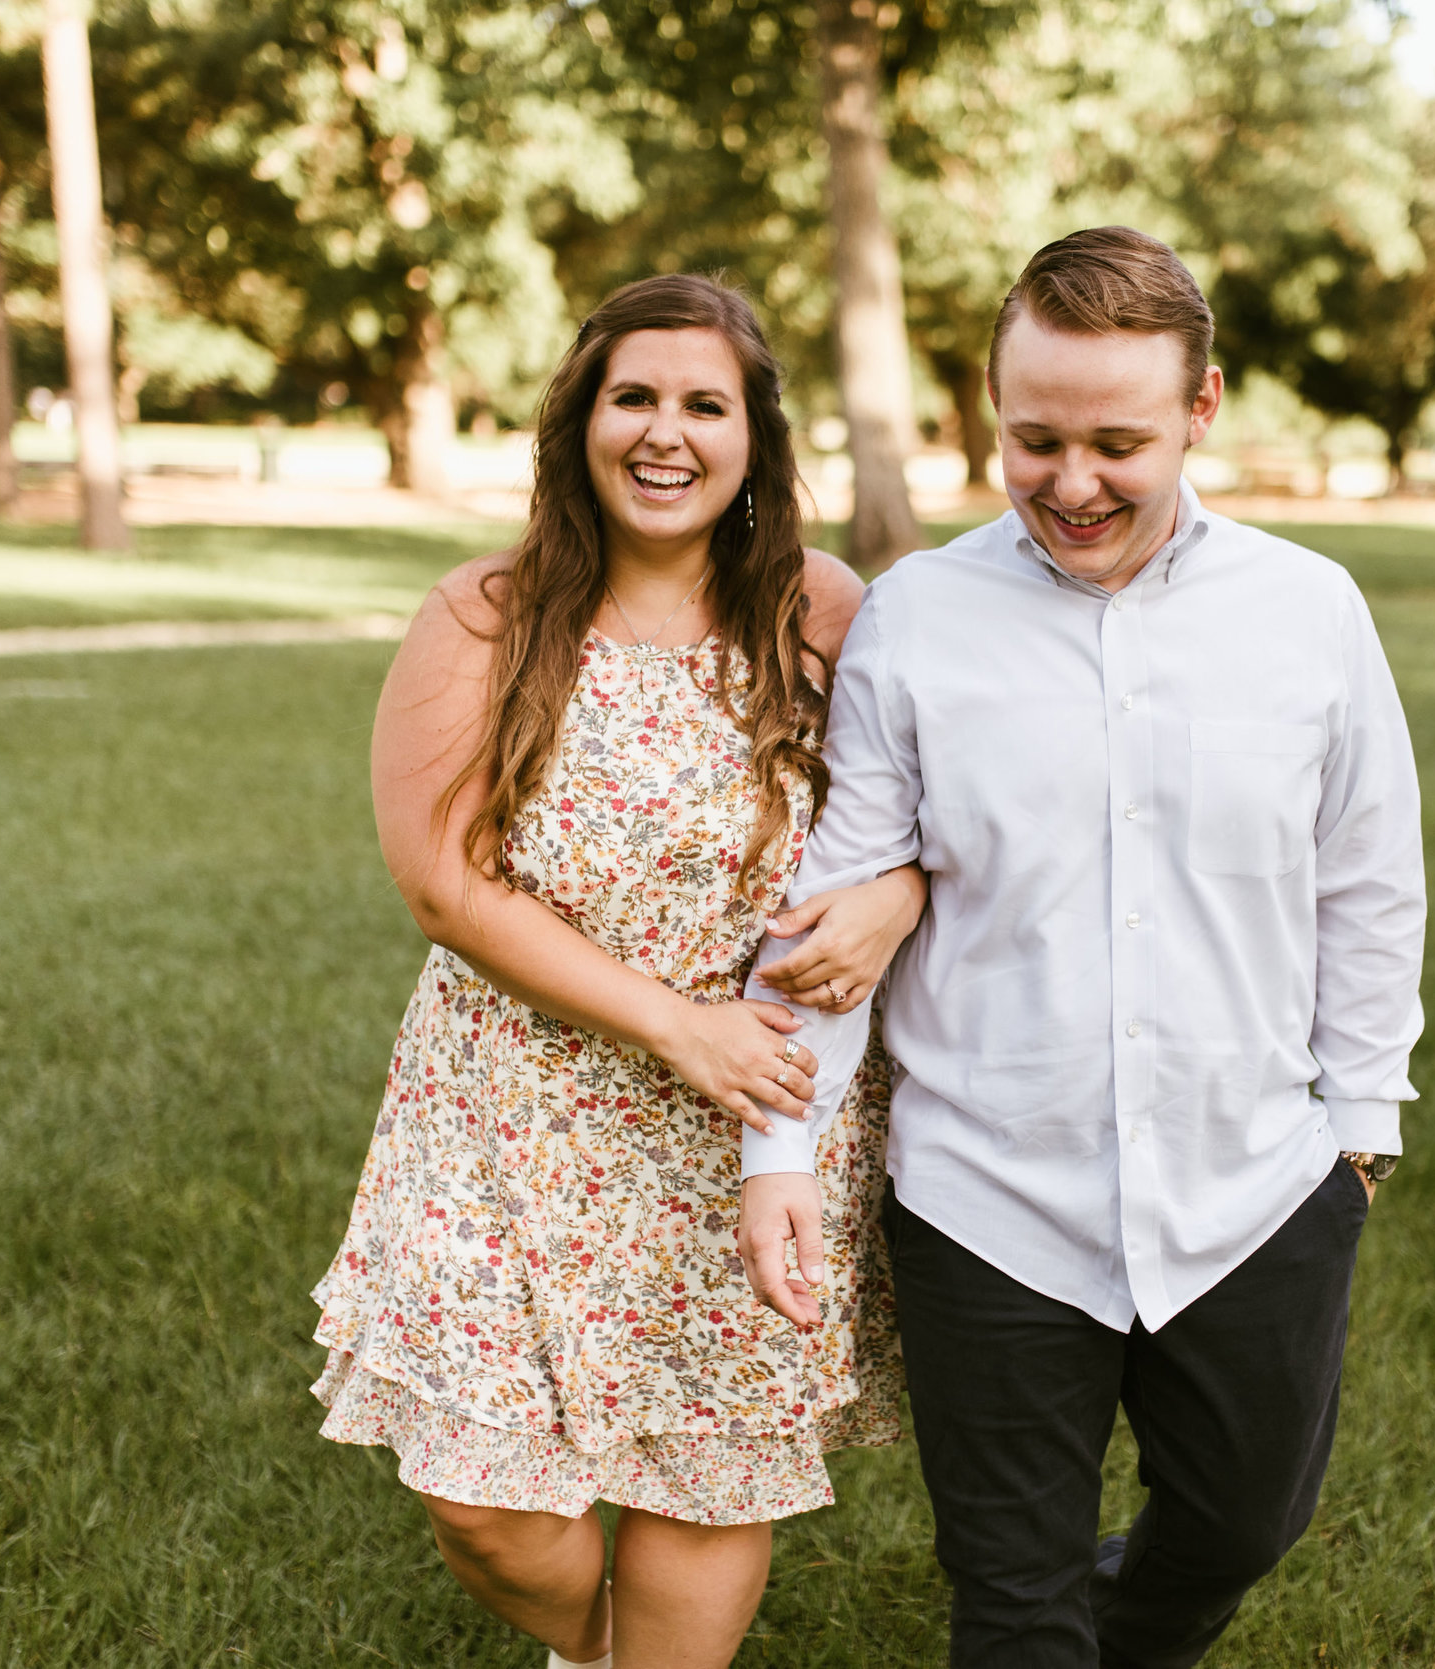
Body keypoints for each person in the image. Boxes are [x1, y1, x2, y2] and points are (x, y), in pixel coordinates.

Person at [739, 227, 1427, 1668]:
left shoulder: (1311, 613)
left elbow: (1367, 884)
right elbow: (838, 908)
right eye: (1033, 438)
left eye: (1117, 440)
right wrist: (782, 1149)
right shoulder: (919, 617)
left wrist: (1359, 1134)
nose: (1071, 482)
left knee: (1243, 1524)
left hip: (1257, 1187)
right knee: (1011, 1597)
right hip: (987, 1196)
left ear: (1203, 408)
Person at [311, 273, 921, 1669]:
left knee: (705, 1470)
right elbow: (441, 876)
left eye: (705, 403)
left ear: (754, 437)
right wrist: (668, 1024)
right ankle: (593, 1648)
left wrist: (897, 891)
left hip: (754, 1110)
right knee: (485, 1504)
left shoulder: (824, 611)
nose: (666, 432)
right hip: (511, 1097)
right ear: (579, 419)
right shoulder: (488, 611)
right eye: (633, 395)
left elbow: (953, 806)